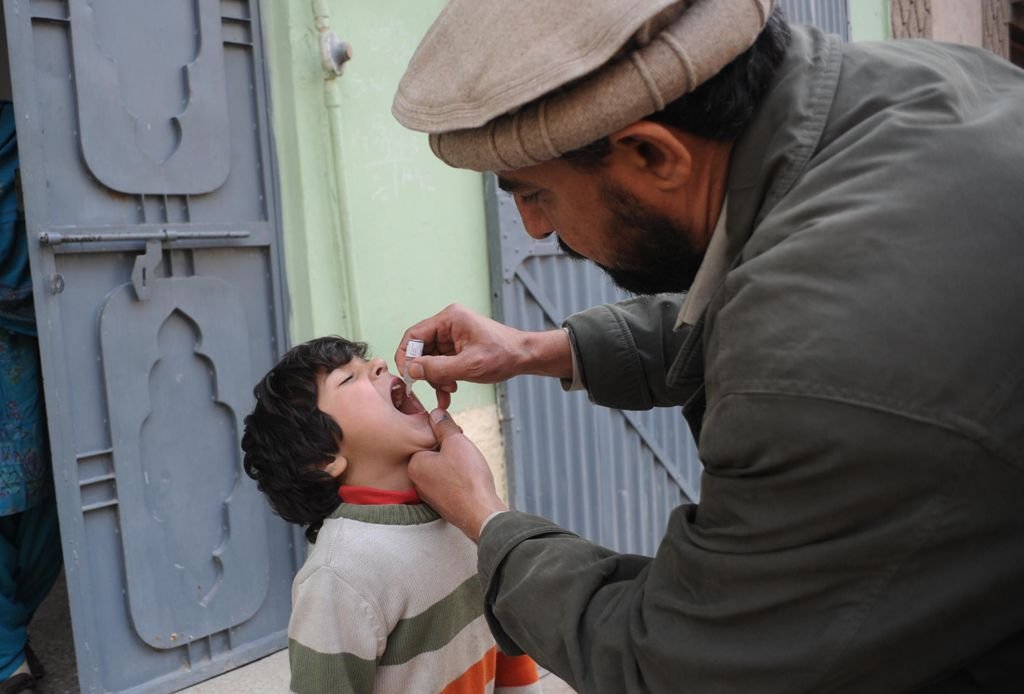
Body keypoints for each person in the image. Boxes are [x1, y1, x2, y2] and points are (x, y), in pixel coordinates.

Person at [390, 0, 1024, 692]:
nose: (536, 230)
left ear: (652, 153)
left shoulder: (819, 362)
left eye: (537, 193)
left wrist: (488, 523)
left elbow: (674, 664)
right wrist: (540, 349)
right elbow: (767, 302)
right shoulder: (906, 87)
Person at [240, 336, 541, 694]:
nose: (380, 364)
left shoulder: (463, 511)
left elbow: (509, 650)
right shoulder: (338, 577)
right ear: (323, 461)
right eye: (348, 379)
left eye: (366, 364)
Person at [0, 92, 61, 694]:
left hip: (42, 330)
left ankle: (7, 639)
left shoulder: (26, 126)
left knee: (53, 494)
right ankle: (7, 651)